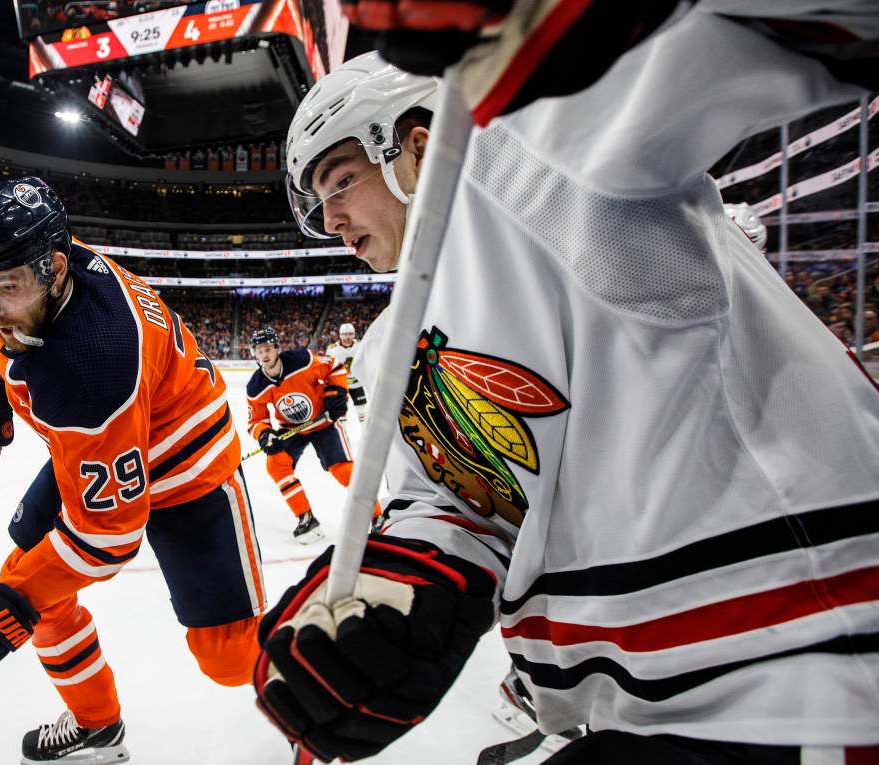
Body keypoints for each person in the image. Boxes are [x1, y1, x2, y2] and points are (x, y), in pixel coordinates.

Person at [253, 11, 879, 763]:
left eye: (341, 178)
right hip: (633, 700)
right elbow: (457, 495)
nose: (330, 216)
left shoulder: (539, 163)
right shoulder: (394, 342)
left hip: (799, 664)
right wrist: (402, 585)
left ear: (417, 145)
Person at [0, 177, 266, 764]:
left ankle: (344, 631)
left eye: (4, 290)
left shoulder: (90, 369)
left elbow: (108, 537)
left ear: (55, 269)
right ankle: (98, 726)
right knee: (31, 581)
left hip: (185, 467)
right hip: (105, 438)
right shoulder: (32, 255)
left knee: (229, 658)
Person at [246, 326, 377, 543]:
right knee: (276, 463)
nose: (264, 355)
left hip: (323, 422)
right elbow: (255, 421)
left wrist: (336, 392)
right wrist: (264, 434)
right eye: (259, 351)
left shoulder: (302, 360)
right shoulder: (255, 386)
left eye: (268, 349)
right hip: (291, 429)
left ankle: (377, 516)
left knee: (342, 468)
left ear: (277, 348)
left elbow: (334, 367)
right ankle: (306, 518)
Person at [323, 322, 367, 423]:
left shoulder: (360, 345)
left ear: (354, 334)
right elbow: (327, 366)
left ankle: (365, 436)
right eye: (345, 334)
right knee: (341, 413)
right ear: (341, 335)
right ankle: (344, 437)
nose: (348, 337)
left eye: (350, 334)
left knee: (362, 411)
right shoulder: (332, 348)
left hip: (357, 383)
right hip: (341, 384)